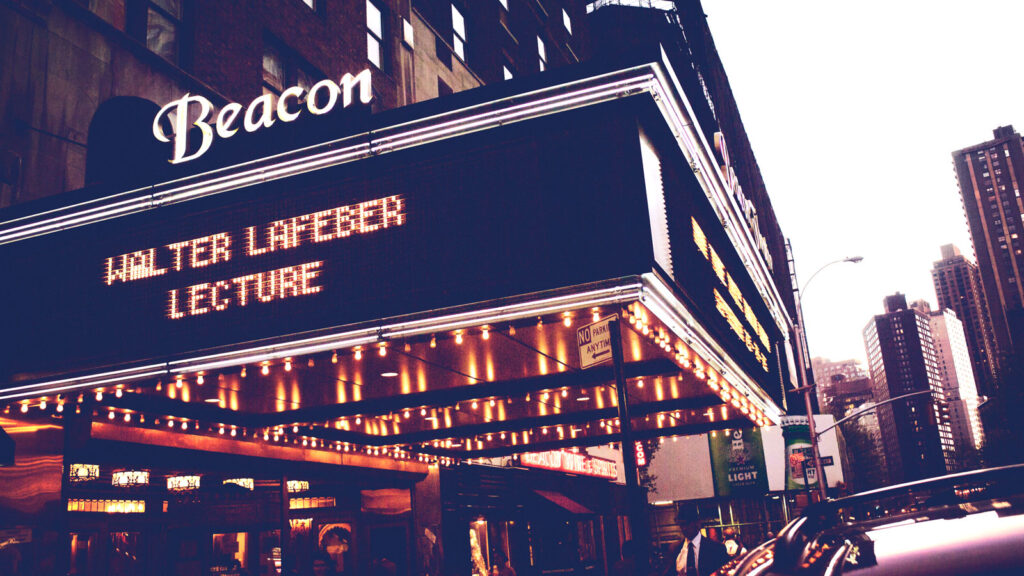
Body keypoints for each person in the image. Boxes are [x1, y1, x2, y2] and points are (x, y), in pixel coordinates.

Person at [659, 503, 730, 576]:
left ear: (697, 523)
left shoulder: (716, 549)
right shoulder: (674, 549)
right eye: (681, 525)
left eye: (687, 524)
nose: (684, 528)